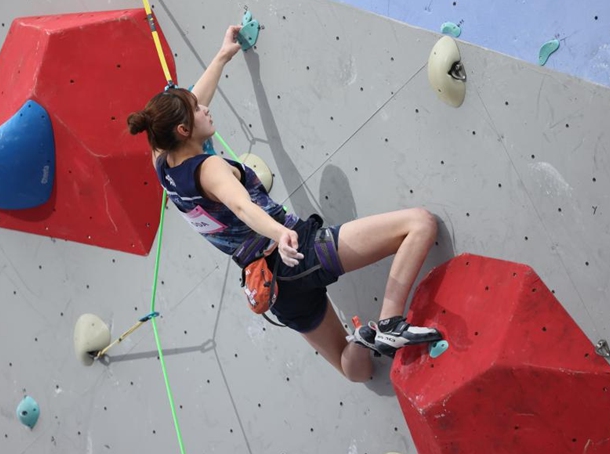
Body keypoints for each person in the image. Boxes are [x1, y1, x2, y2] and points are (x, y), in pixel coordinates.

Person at [127, 25, 442, 383]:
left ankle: (364, 340)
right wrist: (282, 233)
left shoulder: (164, 165)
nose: (206, 108)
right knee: (420, 223)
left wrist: (222, 56)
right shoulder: (210, 167)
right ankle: (389, 322)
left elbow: (189, 104)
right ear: (183, 130)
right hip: (293, 252)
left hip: (270, 287)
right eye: (199, 110)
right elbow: (244, 208)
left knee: (352, 367)